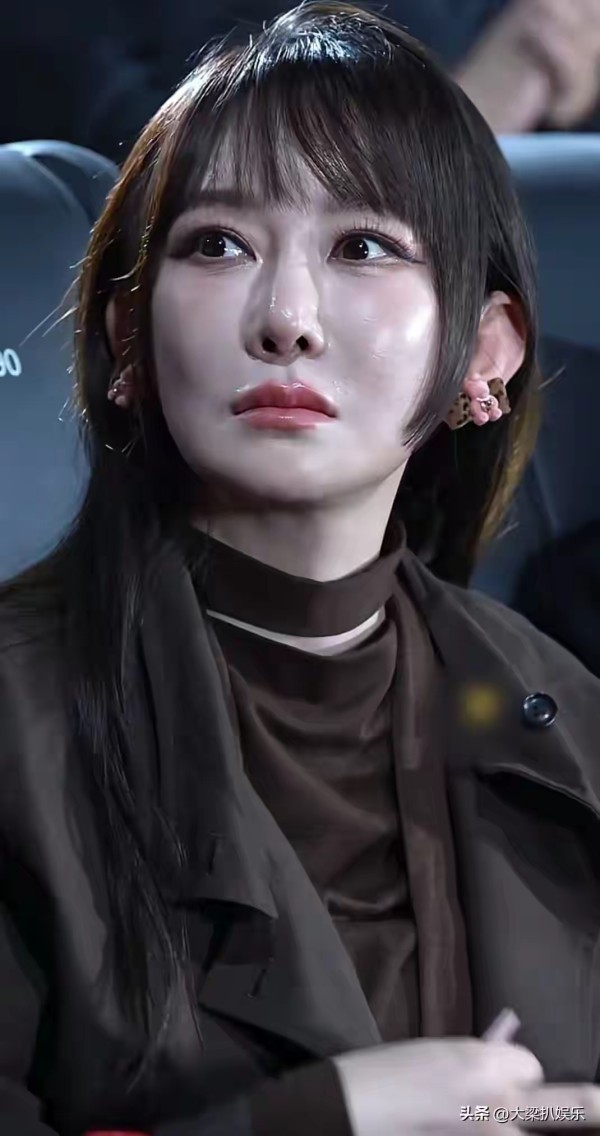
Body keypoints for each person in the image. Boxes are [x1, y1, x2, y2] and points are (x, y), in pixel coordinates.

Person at [2, 4, 600, 1134]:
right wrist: (328, 1117)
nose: (286, 319)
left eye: (363, 246)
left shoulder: (568, 721)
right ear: (128, 338)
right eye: (218, 245)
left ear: (484, 353)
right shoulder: (17, 718)